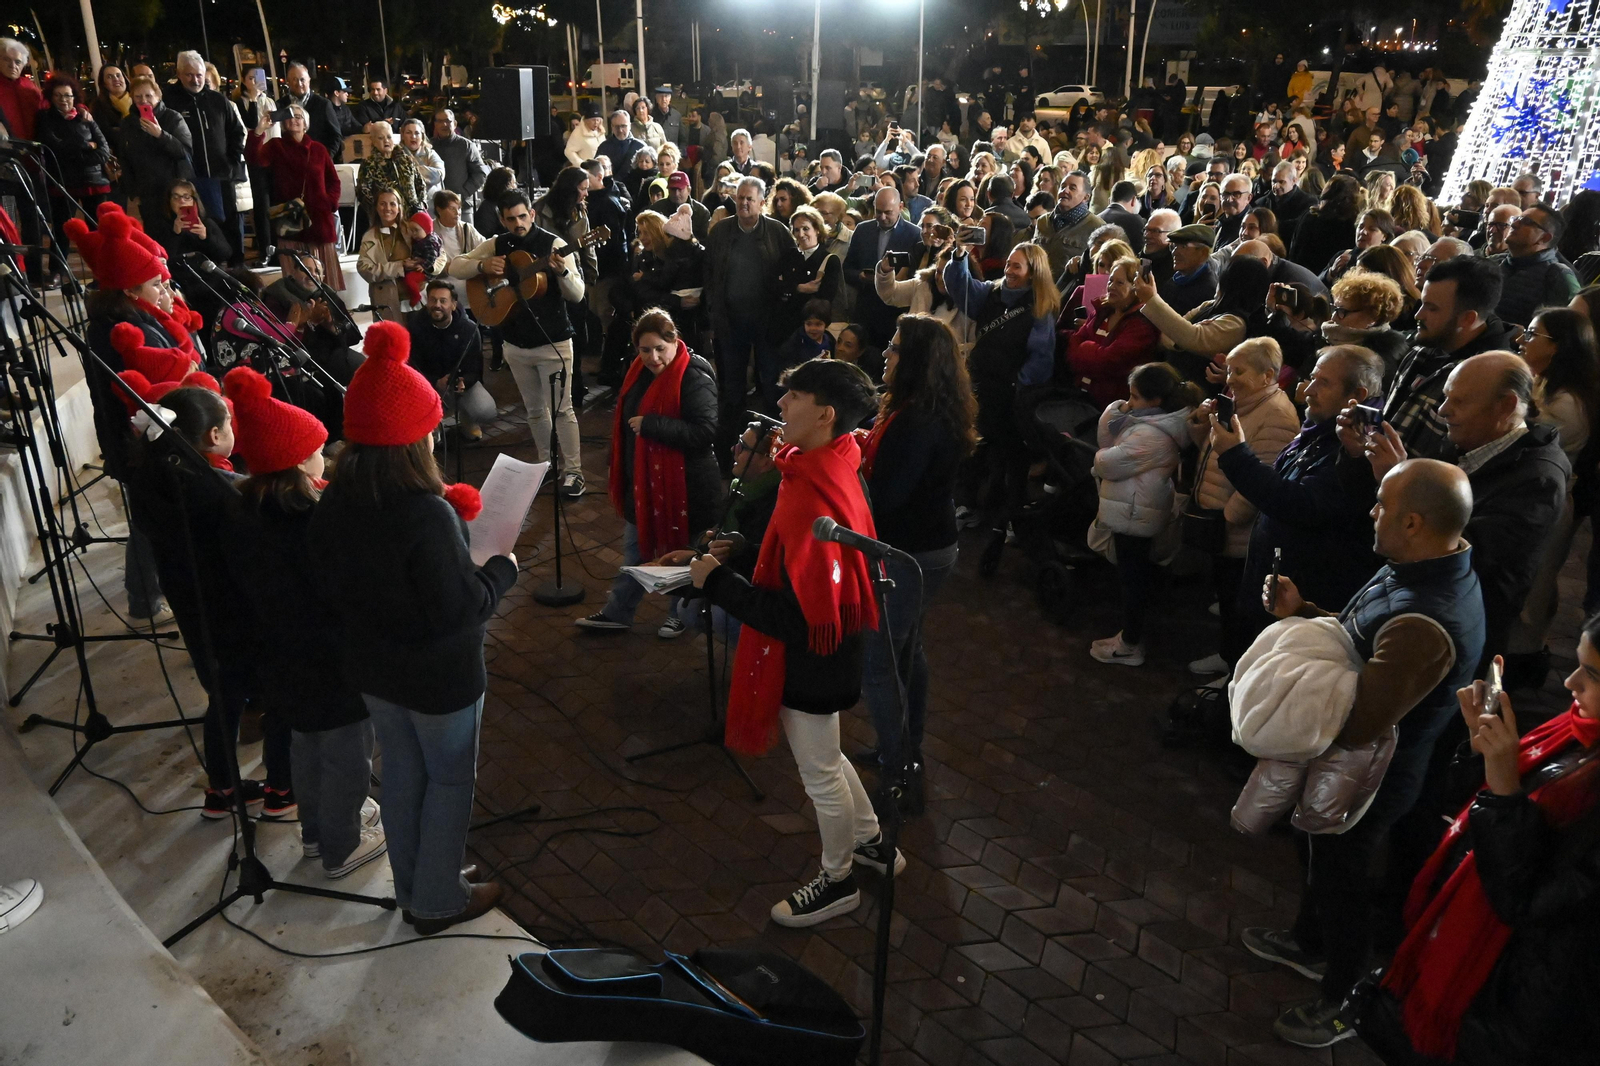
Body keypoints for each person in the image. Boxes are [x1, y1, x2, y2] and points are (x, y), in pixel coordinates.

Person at [1246, 458, 1485, 1049]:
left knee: (1344, 876)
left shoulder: (1426, 621)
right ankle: (1308, 944)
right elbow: (1362, 640)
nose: (1370, 512)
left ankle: (1343, 999)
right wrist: (1304, 612)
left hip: (1371, 777)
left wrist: (1290, 699)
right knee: (1321, 859)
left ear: (1412, 522)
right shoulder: (1422, 569)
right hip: (1361, 769)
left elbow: (1358, 723)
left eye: (1380, 505)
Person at [309, 324, 513, 932]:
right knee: (449, 781)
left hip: (374, 670)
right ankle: (437, 901)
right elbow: (460, 610)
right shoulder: (424, 513)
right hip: (438, 679)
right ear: (410, 437)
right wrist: (500, 571)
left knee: (400, 775)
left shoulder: (335, 500)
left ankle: (421, 881)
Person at [688, 358, 903, 927]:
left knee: (819, 774)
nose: (780, 405)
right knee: (828, 757)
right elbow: (798, 569)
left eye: (794, 396)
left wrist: (717, 583)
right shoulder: (833, 461)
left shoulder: (812, 492)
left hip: (816, 653)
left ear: (826, 414)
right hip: (839, 641)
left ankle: (837, 881)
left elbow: (797, 615)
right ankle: (874, 845)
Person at [1359, 618, 1600, 1064]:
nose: (1570, 682)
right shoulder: (1577, 730)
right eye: (1578, 665)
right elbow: (1473, 810)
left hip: (1525, 1002)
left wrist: (1506, 787)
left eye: (1593, 674)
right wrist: (1479, 750)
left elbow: (1522, 901)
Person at [221, 366, 384, 875]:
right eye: (315, 446)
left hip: (280, 660)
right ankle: (340, 847)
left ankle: (315, 833)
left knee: (305, 748)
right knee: (346, 757)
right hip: (332, 660)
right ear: (294, 459)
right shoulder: (311, 520)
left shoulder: (243, 512)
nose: (323, 452)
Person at [853, 314, 977, 814]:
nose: (886, 353)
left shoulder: (917, 421)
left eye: (896, 347)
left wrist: (846, 475)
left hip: (909, 554)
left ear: (918, 361)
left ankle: (899, 766)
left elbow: (888, 498)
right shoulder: (924, 408)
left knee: (878, 663)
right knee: (908, 651)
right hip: (931, 548)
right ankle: (905, 747)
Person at [1215, 344, 1384, 674]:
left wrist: (1235, 455)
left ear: (1357, 394)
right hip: (1279, 583)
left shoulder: (1356, 451)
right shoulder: (1319, 432)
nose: (1307, 390)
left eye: (1324, 382)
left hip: (1304, 595)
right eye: (1311, 378)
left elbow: (1301, 505)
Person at [576, 309, 720, 636]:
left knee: (680, 555)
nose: (652, 357)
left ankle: (679, 613)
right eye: (644, 350)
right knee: (636, 552)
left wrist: (653, 426)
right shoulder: (637, 373)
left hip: (687, 488)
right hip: (644, 486)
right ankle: (618, 612)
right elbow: (627, 430)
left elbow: (705, 432)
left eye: (659, 349)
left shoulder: (694, 374)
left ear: (675, 342)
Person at [448, 191, 588, 495]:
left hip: (553, 342)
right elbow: (455, 266)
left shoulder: (555, 245)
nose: (518, 223)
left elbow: (577, 294)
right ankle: (545, 465)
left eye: (523, 216)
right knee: (535, 410)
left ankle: (574, 472)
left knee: (562, 410)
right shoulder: (497, 244)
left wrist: (561, 271)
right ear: (502, 219)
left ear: (532, 214)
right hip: (515, 343)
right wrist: (482, 267)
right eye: (510, 219)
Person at [1183, 338, 1302, 676]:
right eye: (1230, 369)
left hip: (1235, 532)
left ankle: (1231, 664)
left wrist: (1227, 518)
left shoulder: (1276, 416)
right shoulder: (1241, 404)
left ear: (1268, 376)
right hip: (1221, 522)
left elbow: (1260, 479)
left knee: (1238, 605)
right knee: (1227, 593)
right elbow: (1211, 450)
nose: (1229, 378)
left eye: (1239, 371)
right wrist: (1200, 422)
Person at [943, 242, 1060, 566]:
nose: (1009, 271)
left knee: (1010, 459)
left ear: (1032, 272)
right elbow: (961, 286)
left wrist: (1018, 383)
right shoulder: (991, 294)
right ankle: (969, 505)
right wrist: (958, 257)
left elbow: (1042, 358)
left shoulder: (1039, 308)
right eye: (1008, 263)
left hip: (1010, 395)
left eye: (1017, 266)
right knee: (973, 447)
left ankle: (1009, 517)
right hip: (981, 387)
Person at [1504, 309, 1600, 685]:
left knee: (1533, 587)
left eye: (1532, 334)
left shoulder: (1567, 404)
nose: (1522, 340)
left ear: (1558, 347)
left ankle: (1523, 663)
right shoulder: (1547, 385)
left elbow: (1516, 437)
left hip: (1549, 501)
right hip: (1535, 495)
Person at [1089, 362, 1203, 666]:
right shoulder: (1152, 421)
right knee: (1135, 573)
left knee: (1132, 578)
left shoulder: (1152, 435)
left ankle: (1130, 644)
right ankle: (1132, 634)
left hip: (1133, 511)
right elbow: (1108, 437)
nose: (1130, 402)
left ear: (1155, 401)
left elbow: (1106, 462)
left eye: (1135, 397)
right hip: (1136, 506)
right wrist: (1121, 407)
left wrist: (1099, 457)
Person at [1378, 256, 1517, 461]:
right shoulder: (1424, 348)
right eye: (1422, 303)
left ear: (1467, 318)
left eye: (1432, 308)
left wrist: (1397, 473)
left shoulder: (1488, 382)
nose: (1418, 315)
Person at [704, 176, 797, 456]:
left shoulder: (778, 232)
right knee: (732, 390)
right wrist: (713, 314)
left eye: (749, 199)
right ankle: (727, 451)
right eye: (739, 197)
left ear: (761, 202)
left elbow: (792, 268)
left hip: (767, 323)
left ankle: (772, 450)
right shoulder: (720, 232)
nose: (743, 203)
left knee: (771, 386)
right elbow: (709, 275)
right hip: (731, 323)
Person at [246, 102, 344, 292]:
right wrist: (259, 130)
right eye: (289, 115)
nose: (294, 119)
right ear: (282, 123)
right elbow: (253, 158)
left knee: (326, 285)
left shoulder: (319, 149)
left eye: (298, 116)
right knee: (295, 285)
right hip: (290, 223)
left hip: (319, 221)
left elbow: (334, 181)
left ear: (306, 124)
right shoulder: (275, 146)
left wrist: (329, 202)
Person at [1137, 252, 1270, 384]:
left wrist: (1151, 299)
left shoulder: (1236, 323)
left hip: (1197, 392)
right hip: (1176, 379)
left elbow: (1193, 337)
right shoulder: (1209, 305)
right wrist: (1182, 340)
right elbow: (1169, 337)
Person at [167, 50, 246, 263]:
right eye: (189, 75)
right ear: (179, 74)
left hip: (221, 176)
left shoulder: (218, 100)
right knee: (198, 226)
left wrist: (232, 160)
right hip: (190, 179)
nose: (195, 80)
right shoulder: (170, 100)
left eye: (199, 75)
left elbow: (237, 132)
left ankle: (236, 268)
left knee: (229, 224)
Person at [37, 77, 112, 270]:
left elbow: (104, 150)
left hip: (93, 181)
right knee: (63, 229)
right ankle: (57, 270)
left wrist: (81, 153)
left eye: (68, 95)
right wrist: (87, 146)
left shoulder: (85, 116)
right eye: (58, 95)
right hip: (63, 181)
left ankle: (101, 268)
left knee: (97, 229)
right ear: (51, 97)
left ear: (74, 97)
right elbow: (54, 147)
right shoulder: (45, 118)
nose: (64, 99)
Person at [1065, 256, 1162, 406]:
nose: (1111, 286)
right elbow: (1071, 350)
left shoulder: (1142, 325)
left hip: (1111, 405)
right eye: (1110, 280)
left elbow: (1107, 363)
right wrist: (1094, 351)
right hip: (1079, 396)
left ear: (1136, 288)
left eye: (1120, 283)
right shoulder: (1102, 310)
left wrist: (1085, 347)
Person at [407, 279, 494, 441]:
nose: (437, 305)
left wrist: (464, 382)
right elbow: (411, 366)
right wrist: (435, 381)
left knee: (485, 411)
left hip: (457, 383)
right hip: (426, 385)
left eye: (443, 301)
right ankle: (432, 426)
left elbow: (475, 367)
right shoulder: (415, 327)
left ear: (453, 305)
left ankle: (467, 419)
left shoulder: (469, 329)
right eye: (433, 300)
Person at [843, 188, 921, 346]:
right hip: (865, 311)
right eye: (878, 212)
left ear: (900, 207)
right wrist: (860, 277)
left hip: (894, 314)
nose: (882, 217)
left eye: (888, 212)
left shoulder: (915, 235)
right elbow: (847, 269)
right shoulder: (863, 230)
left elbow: (916, 277)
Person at [1493, 204, 1581, 328]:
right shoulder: (1493, 263)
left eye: (1526, 222)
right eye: (1516, 219)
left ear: (1544, 237)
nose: (1514, 224)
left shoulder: (1559, 275)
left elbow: (1568, 329)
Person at [118, 76, 194, 215]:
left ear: (158, 96)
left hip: (172, 191)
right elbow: (125, 158)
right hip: (146, 193)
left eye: (148, 95)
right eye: (138, 96)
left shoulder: (173, 118)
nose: (143, 100)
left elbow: (184, 152)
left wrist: (161, 135)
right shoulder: (128, 123)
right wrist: (133, 193)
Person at [773, 205, 842, 346]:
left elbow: (827, 296)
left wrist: (788, 287)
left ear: (817, 229)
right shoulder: (788, 255)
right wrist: (799, 288)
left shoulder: (829, 260)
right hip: (784, 328)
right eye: (796, 229)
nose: (801, 234)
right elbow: (773, 285)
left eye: (805, 228)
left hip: (811, 330)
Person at [357, 188, 418, 322]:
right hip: (386, 297)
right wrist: (398, 267)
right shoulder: (370, 236)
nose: (387, 208)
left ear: (399, 207)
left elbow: (435, 251)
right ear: (376, 207)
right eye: (382, 204)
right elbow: (364, 268)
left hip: (415, 297)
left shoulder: (412, 230)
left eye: (392, 204)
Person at [1032, 172, 1104, 279]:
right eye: (1063, 186)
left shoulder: (1097, 227)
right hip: (1038, 288)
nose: (1064, 191)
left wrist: (1081, 262)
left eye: (1072, 188)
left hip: (1069, 292)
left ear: (1086, 197)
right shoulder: (1043, 221)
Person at [1290, 173, 1363, 274]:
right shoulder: (1352, 225)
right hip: (1331, 278)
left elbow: (1295, 250)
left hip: (1302, 273)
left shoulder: (1311, 216)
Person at [151, 177, 232, 266]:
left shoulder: (207, 223)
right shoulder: (161, 225)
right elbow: (161, 259)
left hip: (205, 273)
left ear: (194, 201)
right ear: (169, 202)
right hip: (177, 274)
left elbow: (225, 254)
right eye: (175, 197)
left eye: (187, 197)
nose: (181, 201)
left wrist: (206, 237)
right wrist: (175, 234)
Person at [356, 120, 426, 220]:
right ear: (373, 141)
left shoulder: (406, 160)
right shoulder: (369, 164)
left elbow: (420, 184)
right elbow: (363, 192)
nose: (386, 141)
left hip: (411, 214)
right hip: (385, 216)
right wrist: (381, 210)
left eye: (389, 137)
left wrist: (421, 205)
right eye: (381, 138)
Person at [277, 62, 344, 162]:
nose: (299, 84)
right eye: (294, 79)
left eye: (302, 79)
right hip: (289, 163)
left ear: (309, 80)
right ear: (288, 82)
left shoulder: (323, 104)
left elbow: (336, 135)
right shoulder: (280, 105)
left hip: (316, 161)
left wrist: (326, 157)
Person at [431, 109, 488, 208]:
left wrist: (463, 193)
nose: (444, 124)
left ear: (455, 124)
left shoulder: (466, 145)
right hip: (436, 206)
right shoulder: (429, 146)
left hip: (462, 205)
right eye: (440, 121)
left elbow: (480, 173)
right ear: (435, 125)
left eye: (448, 121)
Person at [399, 118, 446, 205]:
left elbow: (439, 174)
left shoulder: (430, 153)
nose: (413, 136)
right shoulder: (397, 155)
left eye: (417, 133)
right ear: (402, 135)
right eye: (408, 133)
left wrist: (411, 170)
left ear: (422, 136)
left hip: (430, 204)